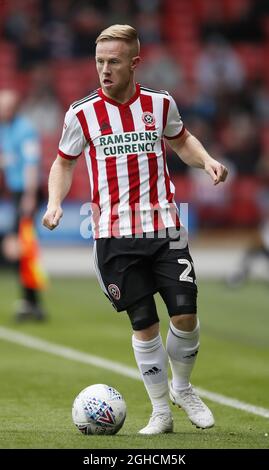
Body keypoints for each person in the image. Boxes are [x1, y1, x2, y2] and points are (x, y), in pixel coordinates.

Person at [42, 24, 228, 434]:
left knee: (186, 314)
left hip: (165, 226)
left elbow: (180, 140)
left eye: (112, 62)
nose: (104, 70)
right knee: (144, 322)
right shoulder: (82, 112)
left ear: (134, 63)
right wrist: (55, 203)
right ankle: (161, 410)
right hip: (113, 235)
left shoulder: (160, 104)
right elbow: (64, 162)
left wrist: (207, 160)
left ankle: (183, 387)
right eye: (99, 62)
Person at [0, 89, 47, 321]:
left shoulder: (24, 129)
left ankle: (32, 303)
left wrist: (29, 196)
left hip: (28, 192)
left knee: (22, 245)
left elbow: (31, 165)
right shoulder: (5, 128)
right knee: (22, 247)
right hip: (17, 193)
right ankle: (30, 301)